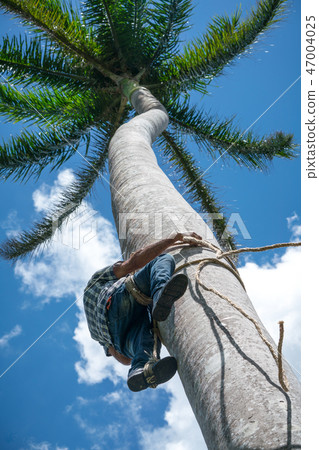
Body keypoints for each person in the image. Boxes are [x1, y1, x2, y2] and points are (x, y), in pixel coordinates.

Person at [83, 231, 202, 392]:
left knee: (147, 336)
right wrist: (174, 238)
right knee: (163, 259)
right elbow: (132, 264)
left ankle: (142, 370)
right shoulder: (96, 280)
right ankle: (159, 293)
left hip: (119, 339)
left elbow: (124, 359)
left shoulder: (96, 334)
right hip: (116, 303)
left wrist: (135, 345)